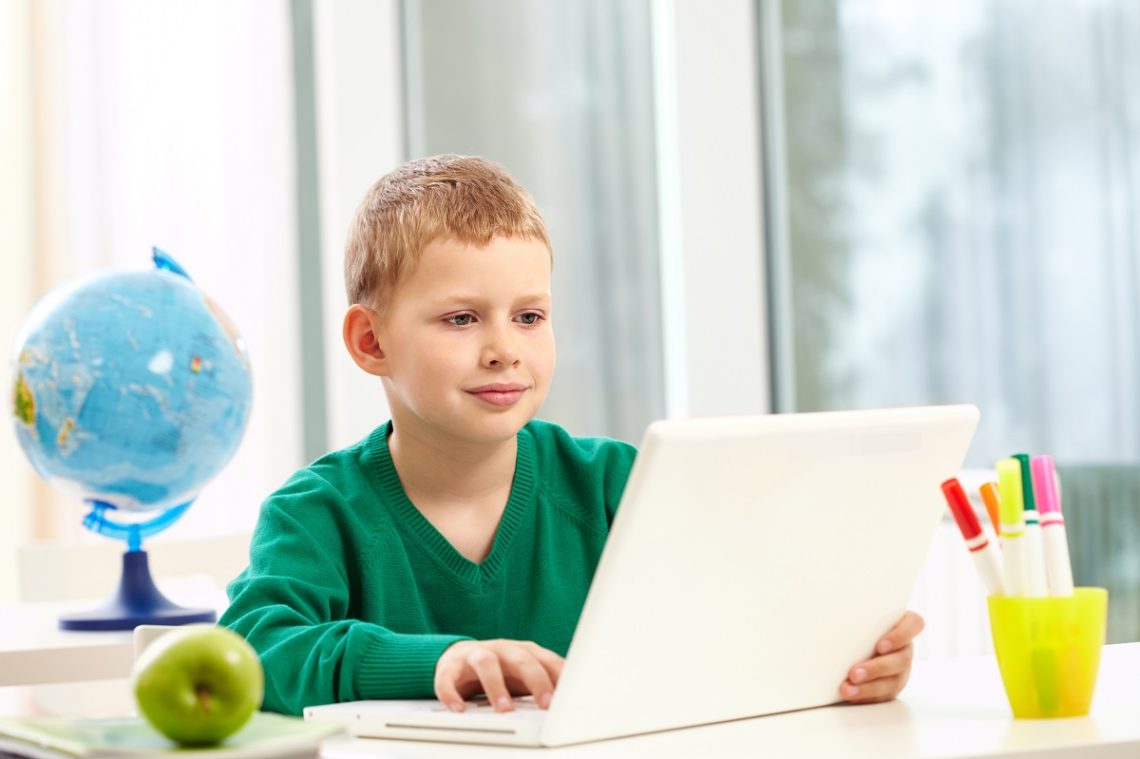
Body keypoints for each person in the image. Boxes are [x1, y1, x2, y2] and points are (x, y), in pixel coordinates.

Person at [220, 154, 924, 716]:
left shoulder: (623, 484)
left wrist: (848, 655)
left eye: (528, 316)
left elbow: (744, 616)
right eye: (463, 319)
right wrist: (438, 661)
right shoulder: (314, 513)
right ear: (371, 340)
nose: (504, 349)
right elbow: (252, 652)